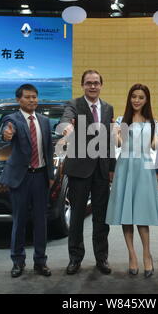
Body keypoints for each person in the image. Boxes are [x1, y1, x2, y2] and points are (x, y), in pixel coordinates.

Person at [60, 70, 116, 275]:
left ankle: (102, 258)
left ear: (101, 85)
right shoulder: (74, 105)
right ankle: (75, 258)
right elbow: (67, 120)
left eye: (96, 83)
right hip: (79, 170)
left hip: (101, 170)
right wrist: (67, 128)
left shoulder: (108, 108)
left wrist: (112, 167)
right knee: (76, 217)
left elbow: (109, 139)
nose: (92, 86)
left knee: (101, 218)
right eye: (88, 83)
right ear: (82, 85)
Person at [105, 83, 158, 278]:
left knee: (142, 215)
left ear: (146, 100)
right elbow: (120, 144)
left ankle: (147, 255)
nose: (137, 100)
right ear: (129, 98)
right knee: (126, 215)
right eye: (134, 96)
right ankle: (132, 256)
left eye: (141, 97)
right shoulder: (122, 120)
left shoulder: (153, 122)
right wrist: (115, 135)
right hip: (125, 167)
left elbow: (153, 147)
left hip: (144, 169)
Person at [0, 84, 55, 278]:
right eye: (28, 97)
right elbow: (7, 131)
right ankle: (17, 261)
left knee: (41, 222)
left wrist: (50, 175)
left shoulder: (45, 121)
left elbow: (48, 150)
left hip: (40, 176)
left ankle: (41, 261)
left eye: (35, 97)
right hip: (21, 179)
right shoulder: (12, 119)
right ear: (19, 100)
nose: (32, 100)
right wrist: (7, 133)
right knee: (19, 221)